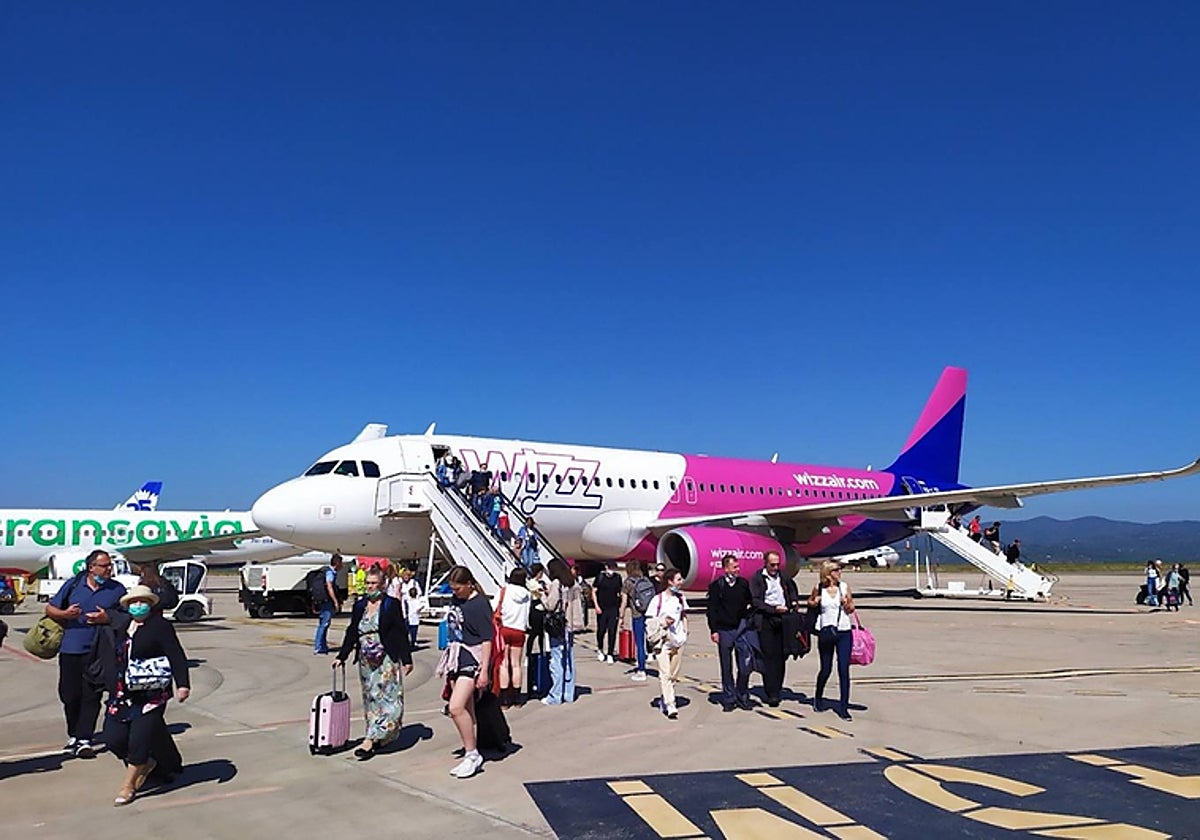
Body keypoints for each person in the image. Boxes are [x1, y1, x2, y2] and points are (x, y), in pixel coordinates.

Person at [101, 585, 190, 806]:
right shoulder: (123, 627)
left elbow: (176, 654)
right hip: (123, 693)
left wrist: (182, 684)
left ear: (150, 604)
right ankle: (147, 763)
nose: (138, 606)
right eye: (133, 602)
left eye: (142, 602)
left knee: (138, 740)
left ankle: (128, 785)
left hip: (151, 694)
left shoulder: (160, 626)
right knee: (113, 738)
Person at [44, 549, 127, 758]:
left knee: (92, 695)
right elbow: (50, 609)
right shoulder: (73, 585)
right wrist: (65, 614)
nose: (109, 569)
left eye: (110, 565)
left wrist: (106, 617)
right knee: (69, 694)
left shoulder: (117, 589)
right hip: (71, 649)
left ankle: (84, 738)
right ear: (91, 567)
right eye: (105, 565)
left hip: (100, 651)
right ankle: (74, 733)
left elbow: (126, 616)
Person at [334, 567, 414, 759]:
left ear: (382, 585)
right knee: (371, 698)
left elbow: (400, 632)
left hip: (386, 659)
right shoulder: (360, 606)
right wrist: (342, 655)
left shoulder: (390, 605)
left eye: (373, 583)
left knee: (388, 698)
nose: (370, 587)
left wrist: (407, 658)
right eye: (368, 583)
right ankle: (373, 735)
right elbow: (352, 631)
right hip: (366, 660)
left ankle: (373, 738)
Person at [437, 566, 494, 778]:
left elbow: (487, 638)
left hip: (473, 658)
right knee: (467, 708)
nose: (455, 592)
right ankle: (470, 748)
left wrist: (485, 670)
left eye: (457, 588)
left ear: (468, 584)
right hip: (457, 656)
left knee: (456, 707)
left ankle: (472, 754)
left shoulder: (479, 605)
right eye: (452, 589)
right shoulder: (457, 600)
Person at [748, 550, 801, 707]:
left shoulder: (783, 577)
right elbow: (755, 601)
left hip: (783, 619)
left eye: (777, 565)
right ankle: (771, 692)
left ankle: (777, 688)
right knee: (769, 656)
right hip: (766, 619)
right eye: (772, 565)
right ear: (765, 563)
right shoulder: (758, 578)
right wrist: (772, 609)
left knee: (781, 656)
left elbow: (792, 590)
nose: (775, 567)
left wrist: (793, 602)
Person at [706, 554, 754, 712]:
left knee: (745, 664)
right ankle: (729, 697)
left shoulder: (743, 584)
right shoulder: (716, 586)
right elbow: (711, 610)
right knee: (726, 666)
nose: (737, 569)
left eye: (738, 566)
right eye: (734, 567)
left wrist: (748, 622)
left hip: (740, 628)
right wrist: (714, 630)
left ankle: (742, 694)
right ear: (726, 568)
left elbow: (751, 603)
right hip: (724, 629)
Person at [809, 560, 856, 721]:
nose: (839, 572)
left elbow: (851, 608)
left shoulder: (844, 587)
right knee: (826, 669)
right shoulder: (819, 588)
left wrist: (847, 603)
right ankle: (818, 696)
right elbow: (810, 602)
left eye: (840, 570)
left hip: (843, 631)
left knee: (843, 669)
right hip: (826, 631)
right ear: (828, 573)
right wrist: (814, 602)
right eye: (836, 570)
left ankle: (844, 707)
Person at [646, 568, 689, 719]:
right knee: (664, 674)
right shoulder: (657, 600)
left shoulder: (680, 598)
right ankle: (671, 704)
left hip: (678, 641)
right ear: (670, 581)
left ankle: (665, 698)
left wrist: (685, 632)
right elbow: (649, 620)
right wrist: (663, 622)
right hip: (663, 641)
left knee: (673, 675)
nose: (681, 582)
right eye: (678, 579)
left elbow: (683, 615)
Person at [541, 557, 584, 706]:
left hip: (558, 626)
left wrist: (542, 595)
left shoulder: (556, 584)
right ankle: (568, 693)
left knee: (556, 660)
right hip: (570, 626)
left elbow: (550, 605)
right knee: (568, 660)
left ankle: (555, 695)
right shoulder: (574, 583)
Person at [494, 567, 531, 708]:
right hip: (519, 630)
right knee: (516, 664)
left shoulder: (504, 590)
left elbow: (494, 607)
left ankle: (504, 699)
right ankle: (516, 697)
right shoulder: (527, 594)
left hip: (504, 628)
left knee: (504, 663)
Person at [621, 560, 653, 682]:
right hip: (649, 614)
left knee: (640, 644)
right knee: (652, 641)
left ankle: (641, 669)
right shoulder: (645, 580)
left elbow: (624, 603)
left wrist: (621, 617)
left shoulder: (628, 583)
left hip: (637, 615)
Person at [592, 560, 623, 664]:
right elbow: (594, 591)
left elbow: (620, 592)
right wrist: (596, 606)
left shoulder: (617, 578)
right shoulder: (600, 577)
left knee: (612, 630)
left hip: (613, 608)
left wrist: (620, 607)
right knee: (601, 630)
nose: (611, 570)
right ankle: (600, 649)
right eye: (609, 567)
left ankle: (610, 653)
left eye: (613, 568)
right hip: (602, 607)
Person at [313, 554, 343, 654]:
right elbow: (329, 586)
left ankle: (322, 645)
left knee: (323, 624)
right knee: (324, 624)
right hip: (327, 601)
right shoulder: (330, 573)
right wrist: (335, 601)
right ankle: (318, 647)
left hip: (322, 600)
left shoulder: (325, 570)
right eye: (341, 563)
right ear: (337, 563)